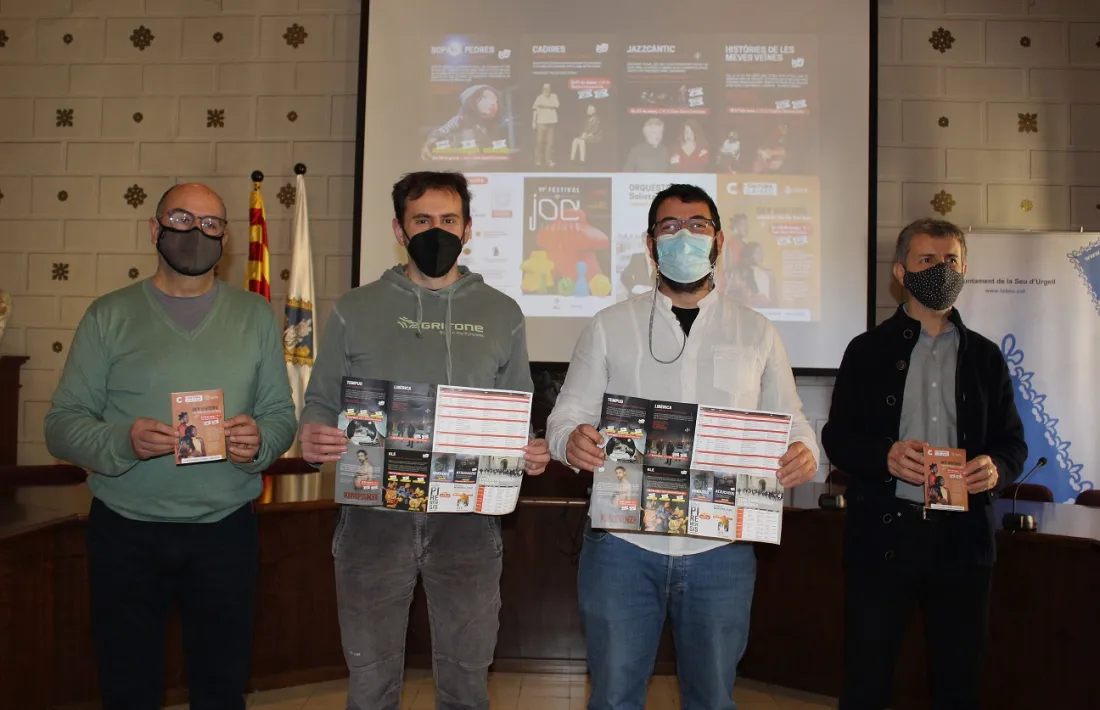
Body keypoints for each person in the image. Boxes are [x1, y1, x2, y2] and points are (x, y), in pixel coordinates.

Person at [546, 183, 819, 710]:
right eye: (669, 227)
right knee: (614, 698)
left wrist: (803, 451)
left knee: (713, 700)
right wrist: (570, 441)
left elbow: (793, 424)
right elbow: (566, 418)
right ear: (650, 245)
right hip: (623, 547)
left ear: (719, 241)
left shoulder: (757, 332)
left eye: (697, 225)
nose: (684, 237)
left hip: (721, 551)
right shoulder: (608, 326)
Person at [297, 171, 551, 710]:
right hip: (372, 519)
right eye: (422, 220)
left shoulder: (502, 312)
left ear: (468, 229)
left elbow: (518, 409)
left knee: (466, 677)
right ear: (399, 227)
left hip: (469, 522)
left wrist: (529, 449)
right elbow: (320, 400)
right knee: (370, 679)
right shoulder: (355, 308)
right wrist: (312, 433)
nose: (436, 230)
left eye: (448, 220)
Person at [43, 183, 298, 710]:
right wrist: (122, 439)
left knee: (222, 686)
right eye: (181, 219)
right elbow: (61, 425)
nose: (194, 233)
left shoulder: (253, 316)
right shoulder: (107, 315)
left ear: (224, 238)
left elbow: (279, 416)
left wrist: (260, 441)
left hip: (225, 530)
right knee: (127, 685)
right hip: (126, 531)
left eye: (209, 224)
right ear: (155, 229)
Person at [821, 217, 1027, 710]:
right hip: (883, 541)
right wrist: (883, 456)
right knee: (867, 682)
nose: (941, 269)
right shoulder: (866, 350)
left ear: (965, 268)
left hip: (963, 545)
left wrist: (996, 467)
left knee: (958, 683)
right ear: (900, 271)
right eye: (927, 260)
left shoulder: (986, 357)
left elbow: (1012, 443)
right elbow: (837, 437)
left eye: (951, 260)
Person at [532, 82, 560, 167]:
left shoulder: (554, 96)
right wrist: (533, 122)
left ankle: (548, 160)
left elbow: (557, 105)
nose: (547, 89)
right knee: (539, 142)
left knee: (550, 143)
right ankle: (538, 160)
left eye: (548, 87)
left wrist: (543, 105)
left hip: (551, 123)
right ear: (543, 89)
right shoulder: (539, 98)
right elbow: (535, 110)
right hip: (541, 123)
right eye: (545, 88)